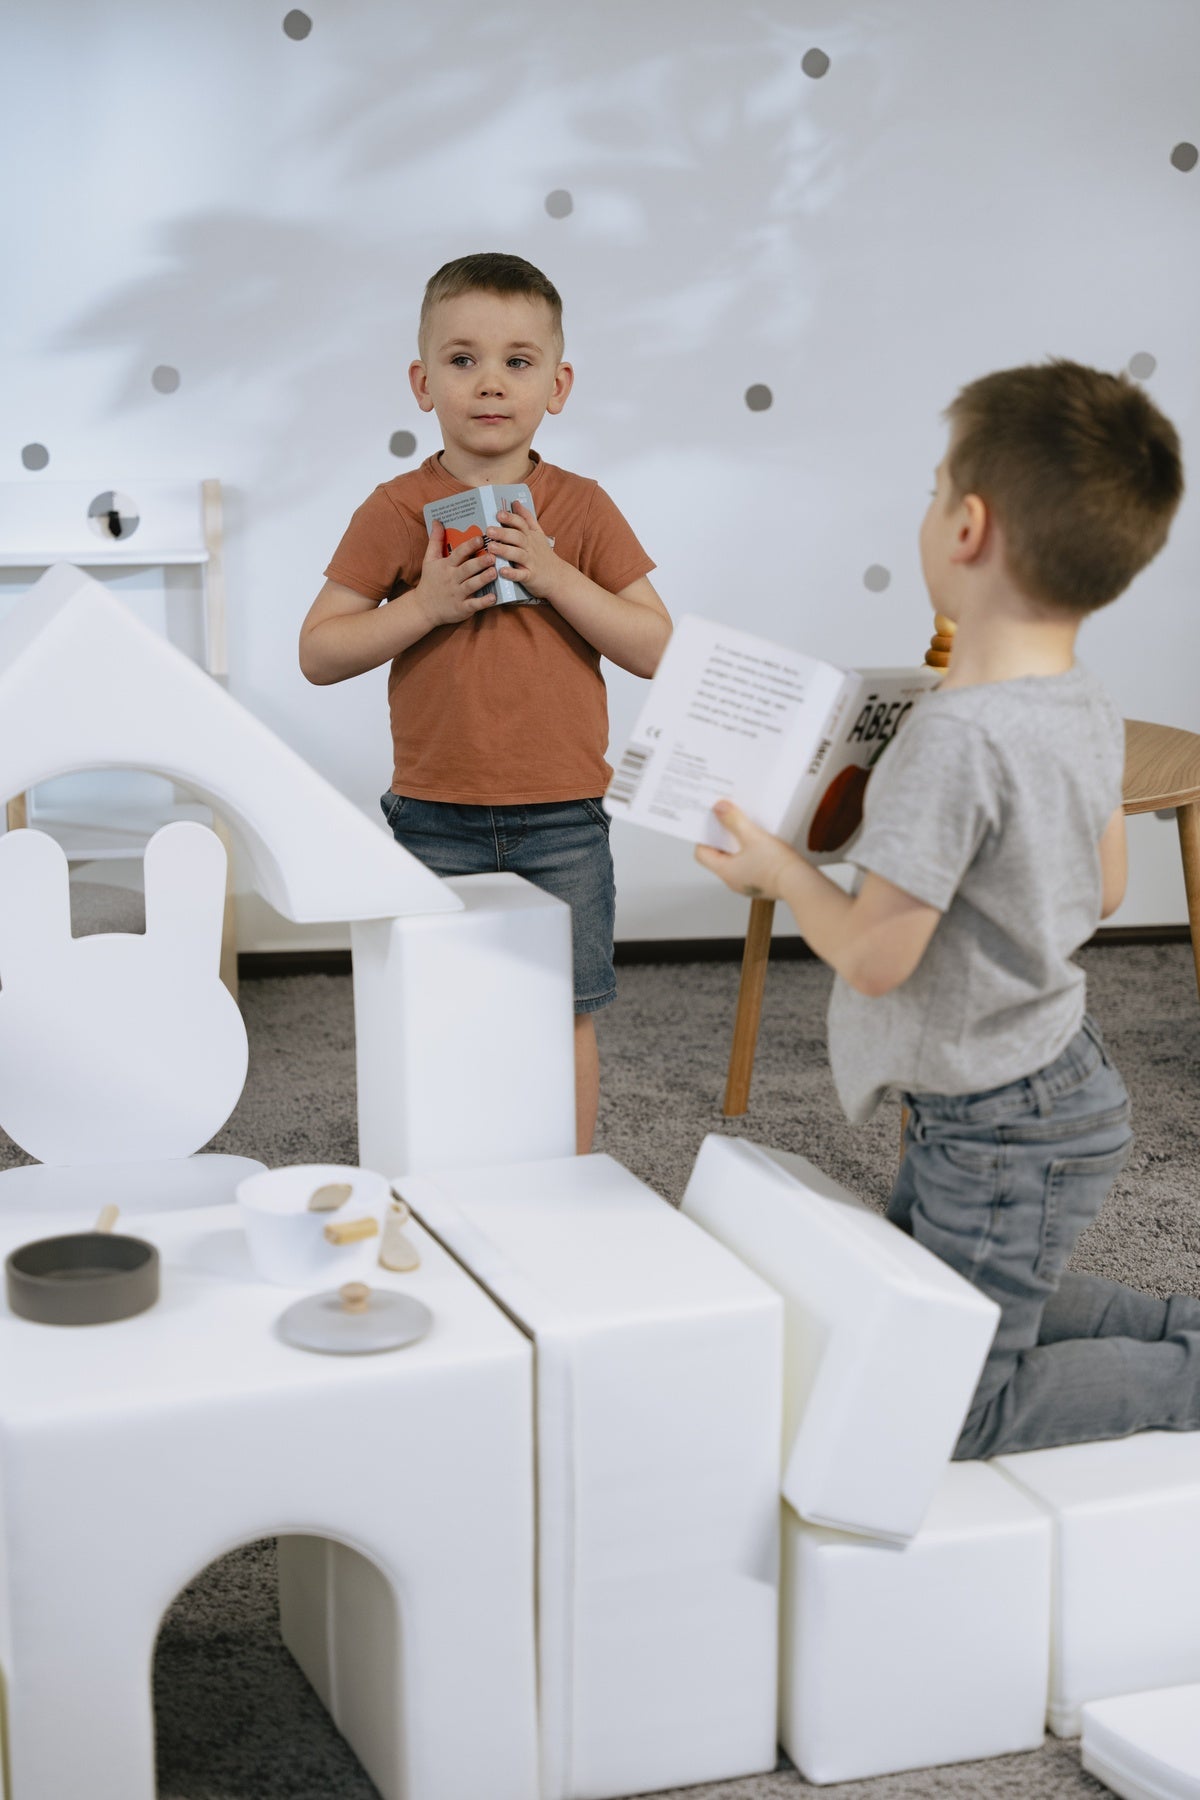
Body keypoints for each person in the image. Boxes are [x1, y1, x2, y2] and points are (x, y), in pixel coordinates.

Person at [697, 358, 1199, 1458]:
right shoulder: (1082, 697)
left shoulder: (956, 738)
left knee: (953, 1405)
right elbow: (1105, 888)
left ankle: (1185, 1377)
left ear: (966, 527)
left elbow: (877, 958)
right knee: (931, 1306)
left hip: (1004, 1118)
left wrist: (783, 874)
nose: (927, 512)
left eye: (933, 492)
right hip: (1027, 1084)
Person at [299, 252, 671, 1152]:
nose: (491, 384)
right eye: (463, 361)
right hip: (435, 816)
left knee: (566, 1011)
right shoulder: (396, 508)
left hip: (565, 819)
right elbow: (318, 651)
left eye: (518, 361)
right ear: (423, 384)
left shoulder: (580, 508)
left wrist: (555, 575)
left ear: (559, 383)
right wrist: (422, 606)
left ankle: (569, 1173)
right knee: (441, 1004)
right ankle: (450, 1162)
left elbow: (658, 648)